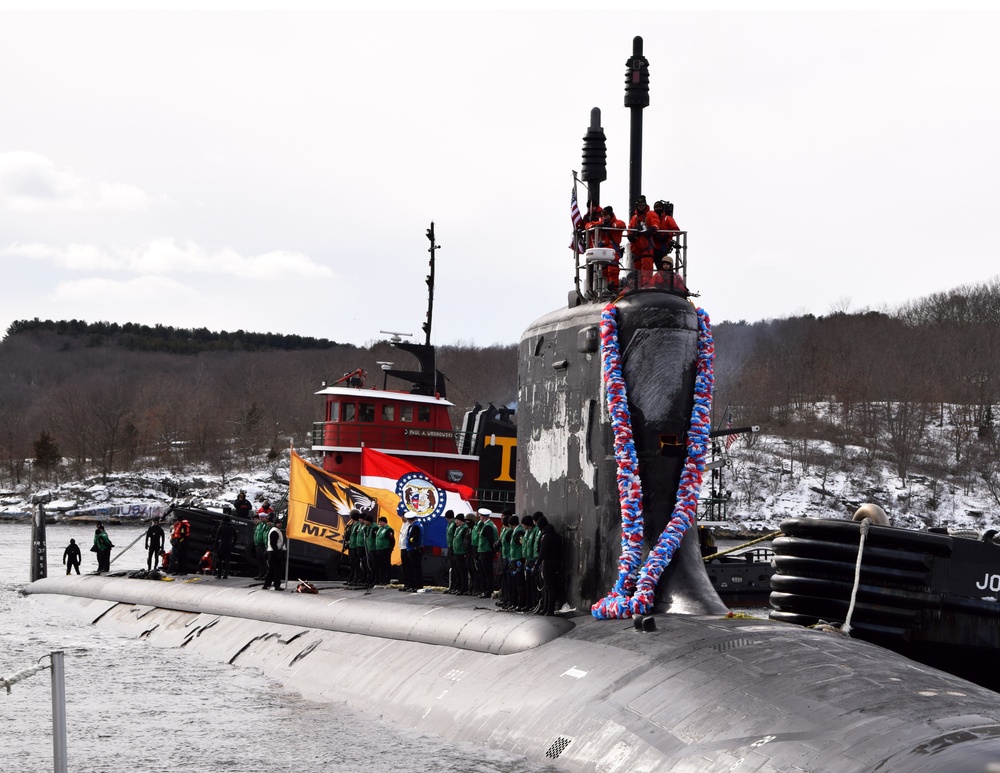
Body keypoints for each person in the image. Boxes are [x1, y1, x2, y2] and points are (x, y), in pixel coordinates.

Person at [586, 205, 627, 292]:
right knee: (603, 270)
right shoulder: (601, 223)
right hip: (603, 250)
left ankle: (614, 287)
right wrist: (598, 226)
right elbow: (587, 226)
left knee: (612, 269)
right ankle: (605, 288)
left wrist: (611, 225)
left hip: (613, 250)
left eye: (606, 215)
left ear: (610, 215)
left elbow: (622, 225)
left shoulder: (617, 222)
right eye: (603, 215)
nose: (604, 217)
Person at [627, 194, 660, 286]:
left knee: (646, 268)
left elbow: (656, 224)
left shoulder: (651, 214)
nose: (641, 206)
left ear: (645, 204)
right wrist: (631, 236)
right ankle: (639, 285)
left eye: (642, 204)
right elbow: (629, 229)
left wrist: (651, 230)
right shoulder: (634, 218)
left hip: (646, 246)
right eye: (639, 205)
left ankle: (646, 284)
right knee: (638, 269)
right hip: (637, 248)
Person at [536, 513, 562, 616]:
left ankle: (549, 609)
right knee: (551, 587)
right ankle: (547, 608)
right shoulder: (557, 535)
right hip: (556, 563)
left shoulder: (545, 536)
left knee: (549, 587)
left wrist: (536, 565)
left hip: (548, 564)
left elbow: (542, 553)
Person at [475, 509, 498, 599]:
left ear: (483, 517)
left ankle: (488, 591)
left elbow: (491, 540)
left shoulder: (488, 526)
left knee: (486, 572)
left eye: (480, 516)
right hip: (485, 551)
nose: (479, 517)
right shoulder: (489, 525)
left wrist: (492, 551)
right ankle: (486, 590)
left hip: (486, 552)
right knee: (485, 572)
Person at [652, 200, 680, 270]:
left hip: (662, 247)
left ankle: (663, 279)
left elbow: (676, 230)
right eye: (656, 207)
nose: (658, 209)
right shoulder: (652, 219)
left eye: (659, 207)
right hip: (653, 247)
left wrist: (667, 235)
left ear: (663, 208)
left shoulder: (667, 218)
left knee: (662, 267)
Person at [262, 515, 286, 591]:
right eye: (279, 523)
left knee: (272, 570)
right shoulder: (274, 531)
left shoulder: (276, 530)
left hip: (273, 552)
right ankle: (277, 585)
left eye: (281, 523)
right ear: (276, 523)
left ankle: (266, 584)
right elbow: (273, 543)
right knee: (276, 570)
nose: (280, 524)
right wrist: (277, 553)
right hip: (274, 553)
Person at [448, 514, 471, 595]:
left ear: (462, 521)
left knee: (462, 571)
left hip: (461, 553)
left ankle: (464, 588)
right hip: (456, 552)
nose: (456, 522)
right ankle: (458, 586)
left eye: (458, 520)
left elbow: (465, 541)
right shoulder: (458, 528)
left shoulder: (464, 529)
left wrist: (465, 552)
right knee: (457, 571)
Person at [402, 513, 423, 591]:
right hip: (412, 549)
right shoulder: (414, 525)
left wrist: (410, 540)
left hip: (414, 549)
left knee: (415, 569)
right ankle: (413, 585)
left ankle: (417, 585)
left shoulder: (416, 526)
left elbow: (415, 538)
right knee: (413, 568)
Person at [214, 515, 238, 579]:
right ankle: (225, 575)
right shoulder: (232, 528)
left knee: (220, 560)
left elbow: (217, 538)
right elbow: (236, 538)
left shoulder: (221, 527)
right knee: (227, 560)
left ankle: (219, 575)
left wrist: (215, 547)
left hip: (222, 544)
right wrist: (233, 544)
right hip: (229, 544)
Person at [373, 516, 395, 586]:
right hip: (379, 549)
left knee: (386, 565)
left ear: (383, 522)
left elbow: (392, 540)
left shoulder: (389, 530)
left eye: (380, 522)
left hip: (385, 549)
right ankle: (382, 579)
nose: (379, 523)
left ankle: (387, 579)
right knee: (381, 565)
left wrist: (390, 548)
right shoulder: (380, 529)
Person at [254, 506, 272, 580]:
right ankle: (261, 574)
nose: (261, 519)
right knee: (260, 561)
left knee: (265, 561)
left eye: (262, 517)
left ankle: (266, 575)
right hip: (258, 544)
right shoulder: (259, 525)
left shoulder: (267, 525)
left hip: (263, 544)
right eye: (260, 517)